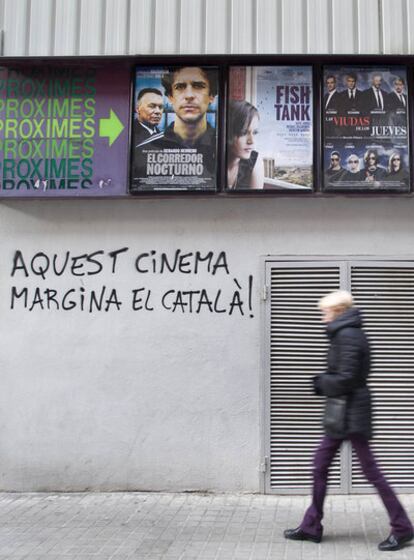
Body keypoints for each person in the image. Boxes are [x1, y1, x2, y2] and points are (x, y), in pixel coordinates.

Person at [284, 290, 414, 552]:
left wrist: (321, 382)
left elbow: (347, 378)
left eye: (326, 312)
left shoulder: (348, 336)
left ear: (339, 311)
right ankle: (311, 525)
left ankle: (402, 528)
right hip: (342, 413)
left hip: (351, 413)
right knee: (320, 464)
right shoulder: (345, 335)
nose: (323, 318)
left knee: (371, 471)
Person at [226, 100, 264, 190]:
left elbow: (255, 202)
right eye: (243, 132)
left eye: (254, 132)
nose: (251, 141)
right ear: (228, 133)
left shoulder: (255, 161)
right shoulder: (210, 160)